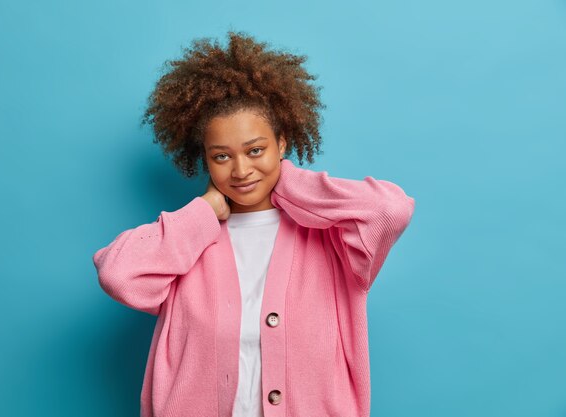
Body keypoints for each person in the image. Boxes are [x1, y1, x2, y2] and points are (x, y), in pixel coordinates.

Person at [92, 30, 415, 417]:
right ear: (205, 159)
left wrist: (287, 182)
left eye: (256, 150)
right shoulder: (188, 243)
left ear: (282, 142)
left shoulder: (336, 242)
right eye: (222, 156)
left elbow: (389, 210)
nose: (242, 170)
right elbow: (118, 275)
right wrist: (205, 209)